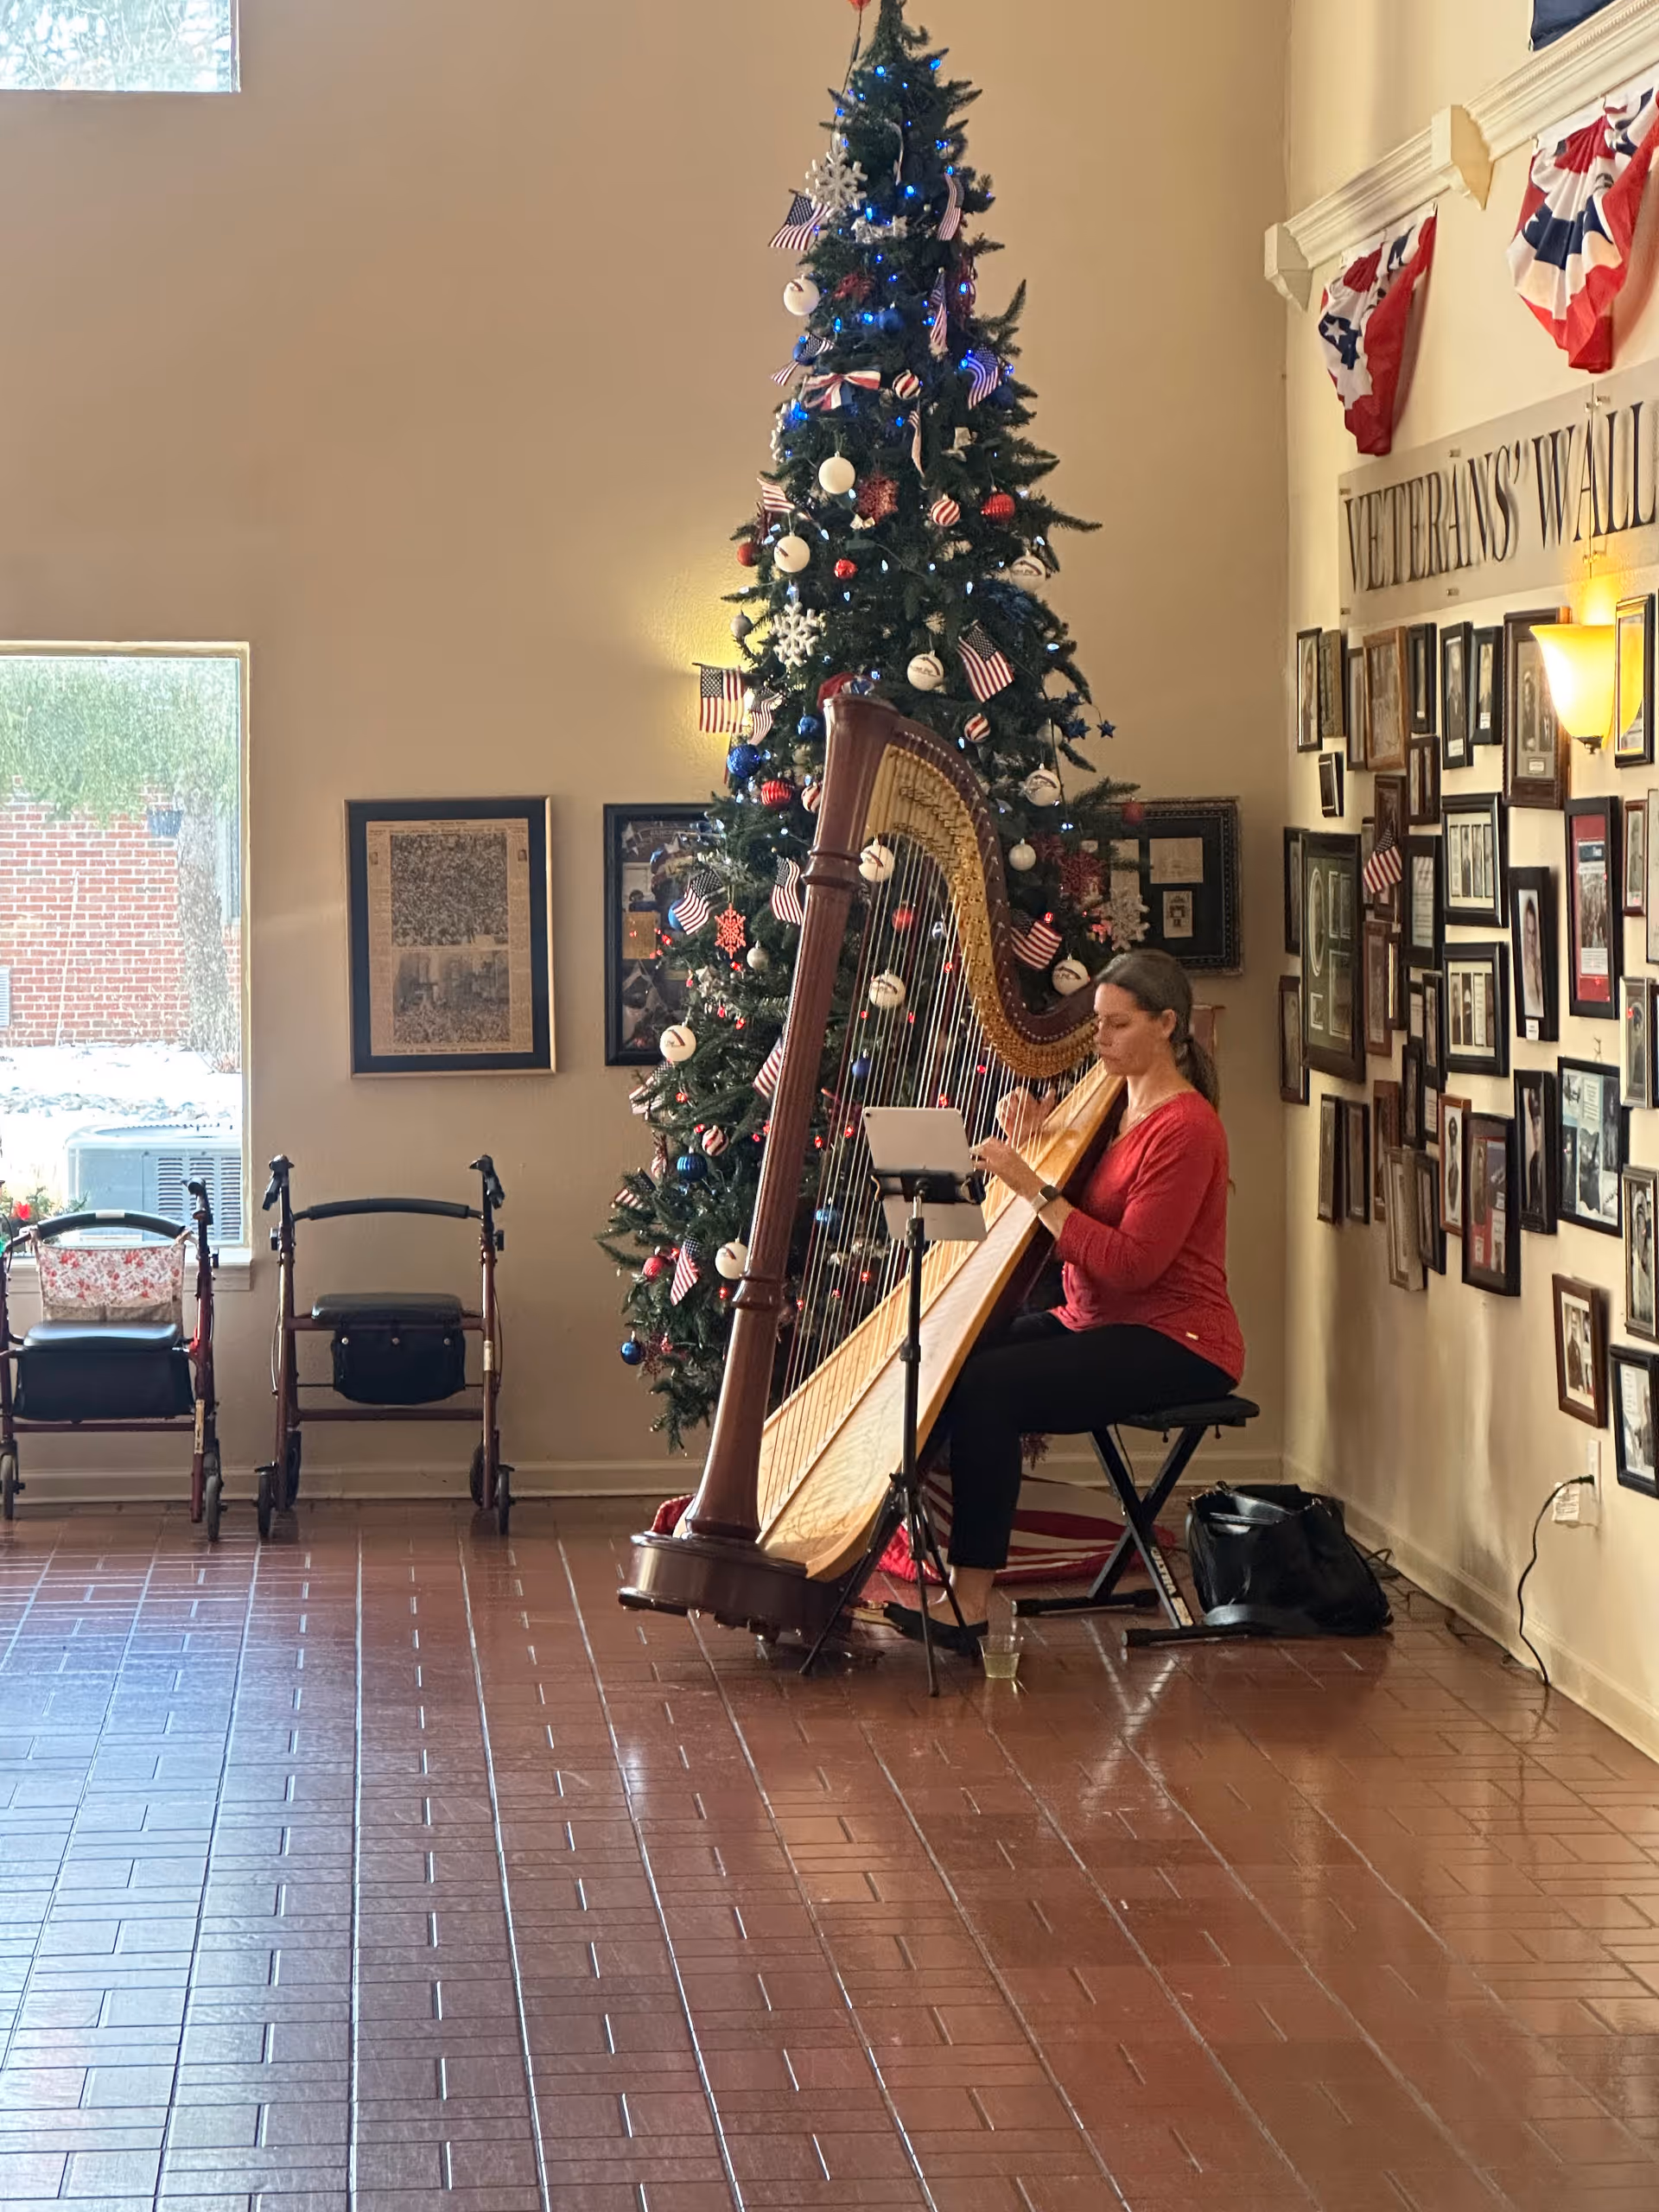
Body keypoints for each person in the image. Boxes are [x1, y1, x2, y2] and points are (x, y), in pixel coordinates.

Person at [881, 948, 1244, 1648]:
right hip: (1099, 1320)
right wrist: (1041, 1135)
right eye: (1097, 1027)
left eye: (1117, 1026)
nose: (1101, 1040)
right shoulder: (1116, 1105)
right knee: (955, 1359)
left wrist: (1031, 1184)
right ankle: (918, 1554)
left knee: (988, 1388)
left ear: (1167, 1024)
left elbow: (1133, 1265)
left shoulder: (1188, 1128)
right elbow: (1092, 1209)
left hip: (1180, 1340)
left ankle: (971, 1604)